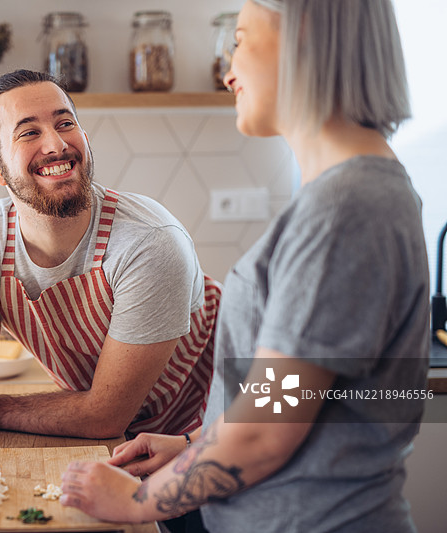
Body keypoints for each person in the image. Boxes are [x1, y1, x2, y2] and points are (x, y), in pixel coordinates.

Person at [59, 1, 429, 532]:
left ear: (306, 40)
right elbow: (295, 396)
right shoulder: (355, 194)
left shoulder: (346, 207)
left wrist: (135, 504)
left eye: (239, 39)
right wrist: (195, 443)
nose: (228, 69)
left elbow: (265, 430)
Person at [0, 69, 221, 440]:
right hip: (124, 435)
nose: (56, 144)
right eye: (29, 132)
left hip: (227, 415)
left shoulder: (149, 243)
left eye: (65, 123)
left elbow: (104, 417)